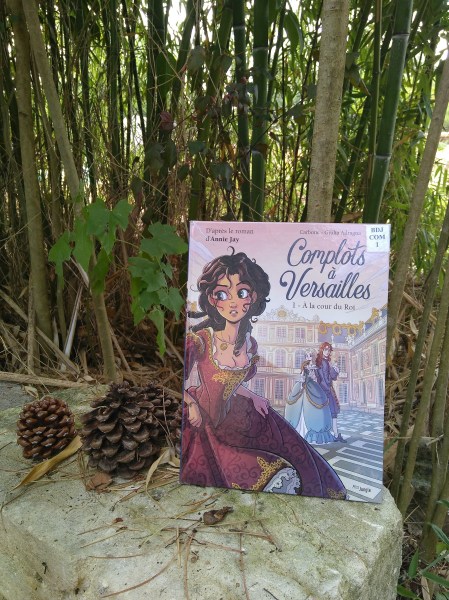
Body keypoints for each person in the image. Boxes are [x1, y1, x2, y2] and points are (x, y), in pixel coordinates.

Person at [181, 249, 346, 499]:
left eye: (242, 293)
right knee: (248, 464)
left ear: (254, 296)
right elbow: (179, 379)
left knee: (287, 439)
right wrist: (191, 404)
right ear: (213, 300)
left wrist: (253, 396)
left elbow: (230, 383)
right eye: (222, 294)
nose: (233, 302)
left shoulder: (250, 345)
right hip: (203, 419)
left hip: (234, 415)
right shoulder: (201, 340)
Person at [284, 350, 335, 444]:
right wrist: (302, 381)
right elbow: (302, 375)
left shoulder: (315, 366)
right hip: (303, 385)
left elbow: (317, 378)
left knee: (317, 406)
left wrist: (314, 376)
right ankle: (298, 431)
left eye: (311, 355)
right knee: (297, 405)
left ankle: (315, 433)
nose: (309, 357)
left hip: (313, 386)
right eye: (308, 356)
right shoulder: (304, 365)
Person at [315, 342, 346, 442]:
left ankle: (334, 434)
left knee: (330, 412)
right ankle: (335, 435)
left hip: (324, 389)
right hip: (326, 390)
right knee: (332, 412)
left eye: (329, 350)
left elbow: (328, 377)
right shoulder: (323, 362)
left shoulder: (322, 361)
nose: (327, 352)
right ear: (321, 350)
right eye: (325, 350)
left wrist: (334, 370)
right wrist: (334, 370)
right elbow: (326, 378)